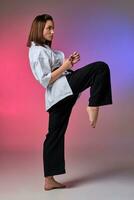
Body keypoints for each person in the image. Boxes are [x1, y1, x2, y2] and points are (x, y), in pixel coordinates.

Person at [27, 14, 113, 191]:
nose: (53, 31)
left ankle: (49, 180)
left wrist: (68, 64)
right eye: (48, 28)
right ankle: (93, 104)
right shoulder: (36, 51)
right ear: (39, 29)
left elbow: (55, 70)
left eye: (53, 27)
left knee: (54, 135)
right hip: (60, 90)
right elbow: (45, 80)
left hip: (60, 94)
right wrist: (65, 67)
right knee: (100, 68)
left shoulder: (43, 49)